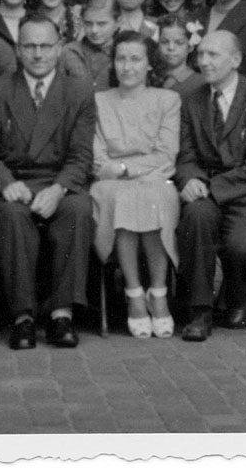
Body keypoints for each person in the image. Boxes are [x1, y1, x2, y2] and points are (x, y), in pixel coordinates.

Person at [0, 15, 96, 350]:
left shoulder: (79, 90)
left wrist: (59, 188)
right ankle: (22, 316)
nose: (38, 54)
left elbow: (81, 154)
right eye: (29, 46)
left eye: (45, 46)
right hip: (15, 181)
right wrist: (5, 183)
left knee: (78, 210)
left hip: (58, 181)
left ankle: (61, 314)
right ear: (17, 49)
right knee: (11, 215)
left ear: (59, 48)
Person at [174, 30, 246, 340]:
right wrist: (189, 178)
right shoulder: (191, 100)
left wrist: (212, 187)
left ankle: (236, 293)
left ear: (235, 60)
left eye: (213, 55)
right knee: (195, 217)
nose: (204, 61)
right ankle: (200, 311)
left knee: (240, 246)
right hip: (205, 189)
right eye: (201, 54)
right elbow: (185, 155)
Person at [90, 31, 181, 339]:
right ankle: (134, 293)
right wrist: (115, 170)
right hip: (110, 183)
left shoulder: (167, 100)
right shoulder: (99, 101)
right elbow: (98, 157)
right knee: (125, 199)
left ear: (149, 64)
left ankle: (158, 291)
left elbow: (166, 154)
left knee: (153, 196)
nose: (127, 67)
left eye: (135, 59)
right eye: (121, 59)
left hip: (153, 178)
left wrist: (127, 167)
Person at [63, 0, 119, 92]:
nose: (94, 30)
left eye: (101, 24)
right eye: (88, 23)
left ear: (117, 23)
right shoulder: (68, 52)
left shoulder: (123, 55)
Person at [156, 13, 204, 99]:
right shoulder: (151, 78)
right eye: (164, 42)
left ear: (190, 47)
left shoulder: (200, 83)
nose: (171, 48)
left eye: (179, 43)